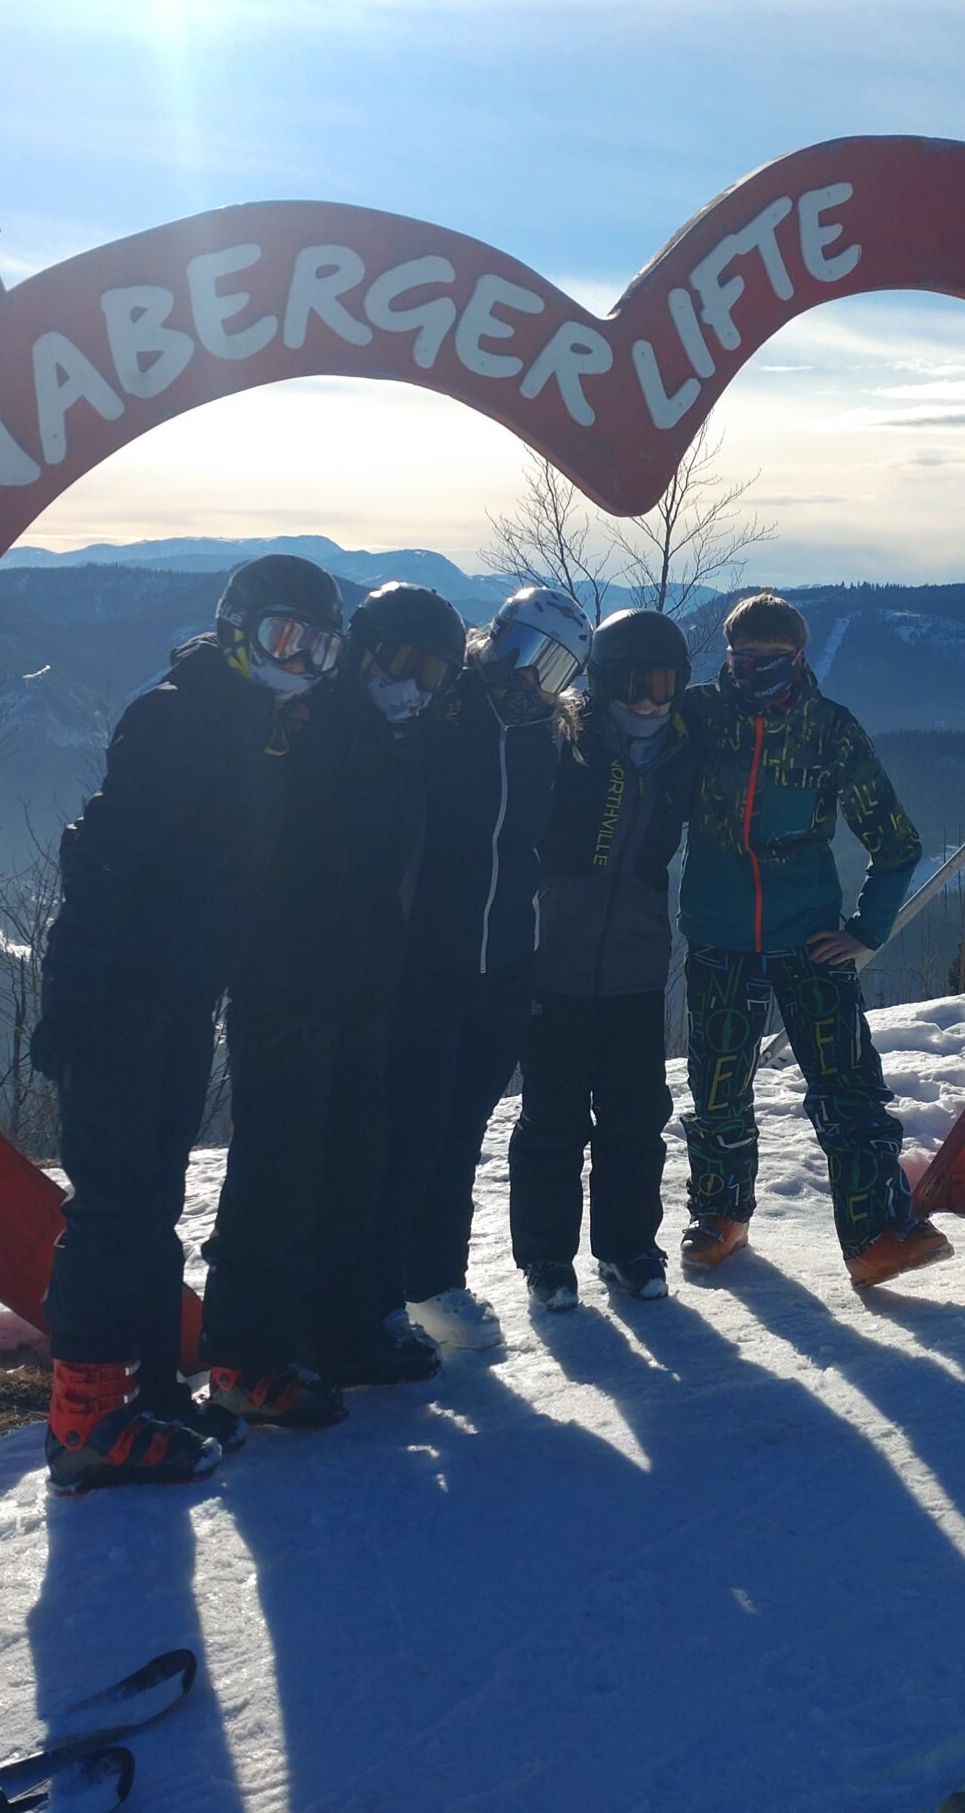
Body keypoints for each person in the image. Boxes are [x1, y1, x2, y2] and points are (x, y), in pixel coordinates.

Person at [31, 553, 345, 1492]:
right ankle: (84, 1421)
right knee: (117, 1207)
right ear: (237, 631)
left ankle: (149, 1388)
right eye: (285, 639)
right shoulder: (183, 716)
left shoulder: (257, 725)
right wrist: (74, 994)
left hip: (176, 996)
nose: (301, 662)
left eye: (319, 647)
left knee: (151, 1202)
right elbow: (101, 861)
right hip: (125, 998)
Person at [208, 581, 464, 1400]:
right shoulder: (306, 726)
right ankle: (247, 1357)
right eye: (400, 661)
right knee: (276, 1173)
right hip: (285, 986)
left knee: (352, 1168)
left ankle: (336, 1332)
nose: (413, 686)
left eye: (433, 674)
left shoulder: (402, 744)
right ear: (359, 649)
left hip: (363, 989)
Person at [675, 591, 950, 1286]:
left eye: (770, 658)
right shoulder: (701, 719)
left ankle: (877, 1235)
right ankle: (720, 1217)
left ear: (798, 657)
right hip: (719, 935)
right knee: (717, 1088)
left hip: (810, 938)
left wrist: (867, 931)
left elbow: (896, 841)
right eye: (742, 658)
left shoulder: (831, 731)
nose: (754, 670)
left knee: (848, 1087)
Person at [380, 585, 590, 1352]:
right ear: (496, 638)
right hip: (426, 961)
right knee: (411, 1132)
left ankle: (437, 1282)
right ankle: (381, 1292)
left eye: (558, 666)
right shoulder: (446, 711)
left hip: (502, 964)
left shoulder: (544, 737)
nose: (536, 677)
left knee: (462, 1131)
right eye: (528, 653)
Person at [508, 607, 699, 1311]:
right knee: (552, 1119)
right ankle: (547, 1258)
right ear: (603, 681)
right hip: (554, 963)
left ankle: (628, 1245)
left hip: (635, 970)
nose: (650, 700)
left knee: (635, 1113)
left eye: (664, 683)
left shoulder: (682, 748)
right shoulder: (566, 741)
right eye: (634, 683)